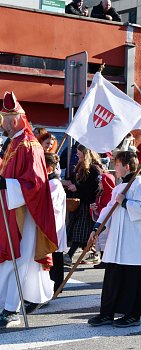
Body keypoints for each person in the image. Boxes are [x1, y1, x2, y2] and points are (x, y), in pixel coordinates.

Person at [0, 92, 58, 328]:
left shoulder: (30, 145)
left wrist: (8, 185)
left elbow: (34, 183)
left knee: (19, 260)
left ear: (14, 120)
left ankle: (11, 308)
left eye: (3, 120)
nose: (1, 125)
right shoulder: (13, 143)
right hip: (9, 210)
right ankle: (4, 303)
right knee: (7, 260)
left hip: (26, 213)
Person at [88, 151, 141, 328]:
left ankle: (133, 315)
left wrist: (125, 202)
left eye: (116, 164)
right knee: (112, 278)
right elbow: (110, 208)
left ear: (127, 166)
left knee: (133, 280)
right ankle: (106, 313)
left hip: (134, 242)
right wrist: (97, 227)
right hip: (117, 241)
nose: (114, 168)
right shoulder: (119, 187)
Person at [63, 144, 102, 264]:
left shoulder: (94, 169)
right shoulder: (80, 166)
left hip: (88, 203)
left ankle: (69, 255)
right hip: (80, 202)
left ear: (86, 154)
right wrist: (58, 181)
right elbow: (72, 180)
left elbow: (93, 187)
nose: (77, 156)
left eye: (80, 154)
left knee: (79, 230)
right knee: (82, 231)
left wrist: (77, 187)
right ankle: (94, 253)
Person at [45, 153, 67, 294]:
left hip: (54, 225)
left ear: (50, 168)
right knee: (54, 257)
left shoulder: (54, 183)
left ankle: (56, 287)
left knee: (55, 258)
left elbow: (49, 204)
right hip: (52, 225)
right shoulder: (50, 182)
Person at [90, 172, 116, 269]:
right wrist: (94, 208)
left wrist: (98, 208)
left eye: (101, 182)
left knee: (105, 241)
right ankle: (103, 258)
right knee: (100, 241)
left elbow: (108, 209)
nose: (99, 184)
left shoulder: (110, 195)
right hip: (102, 221)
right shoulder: (100, 194)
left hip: (108, 222)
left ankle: (106, 260)